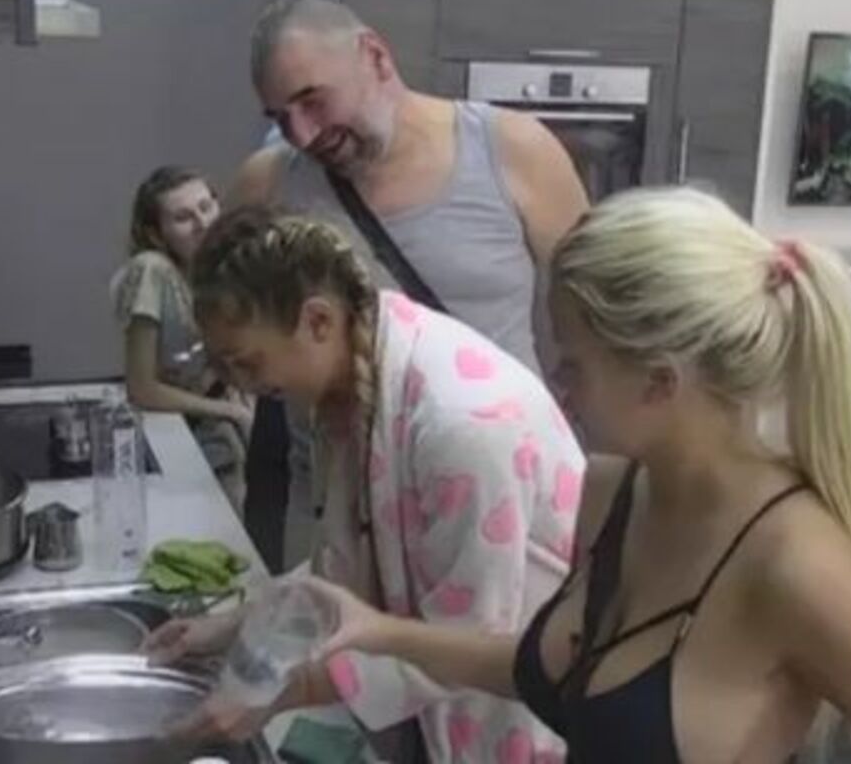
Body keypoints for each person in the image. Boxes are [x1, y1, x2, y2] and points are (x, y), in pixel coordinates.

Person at [305, 187, 851, 762]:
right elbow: (565, 674)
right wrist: (382, 633)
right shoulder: (611, 490)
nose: (559, 388)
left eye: (574, 365)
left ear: (659, 382)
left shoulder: (797, 566)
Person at [144, 208, 585, 762]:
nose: (246, 387)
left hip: (519, 714)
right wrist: (231, 625)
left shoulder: (464, 424)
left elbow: (470, 636)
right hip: (448, 710)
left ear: (318, 320)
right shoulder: (360, 377)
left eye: (249, 364)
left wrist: (288, 690)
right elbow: (346, 565)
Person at [231, 0, 589, 570]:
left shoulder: (512, 151)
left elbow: (596, 318)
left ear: (375, 56)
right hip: (334, 510)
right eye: (280, 118)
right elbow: (236, 330)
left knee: (472, 630)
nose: (302, 134)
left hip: (491, 503)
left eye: (312, 100)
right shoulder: (267, 186)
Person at [109, 166, 251, 509]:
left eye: (206, 207)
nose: (202, 223)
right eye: (183, 217)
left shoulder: (220, 272)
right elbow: (142, 389)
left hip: (222, 438)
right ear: (156, 234)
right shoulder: (152, 270)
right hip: (175, 439)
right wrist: (232, 411)